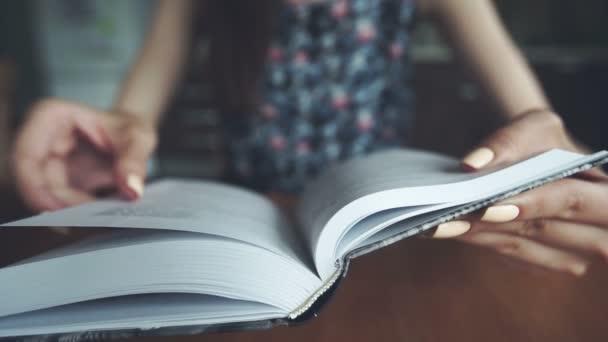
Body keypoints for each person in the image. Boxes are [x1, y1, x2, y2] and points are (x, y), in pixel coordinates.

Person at [11, 0, 608, 276]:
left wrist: (550, 157)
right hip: (248, 232)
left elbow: (535, 116)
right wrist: (120, 139)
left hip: (384, 237)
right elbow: (133, 116)